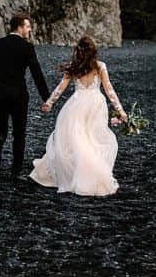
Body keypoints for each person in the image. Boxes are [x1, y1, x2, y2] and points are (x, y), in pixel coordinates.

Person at [30, 35, 128, 196]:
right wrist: (120, 110)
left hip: (76, 104)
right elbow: (109, 90)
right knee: (92, 139)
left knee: (75, 139)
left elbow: (61, 88)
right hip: (96, 104)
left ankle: (76, 172)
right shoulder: (100, 66)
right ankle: (89, 173)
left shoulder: (74, 67)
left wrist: (50, 102)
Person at [0, 13, 50, 176]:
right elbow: (37, 73)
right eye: (28, 26)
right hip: (18, 94)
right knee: (19, 131)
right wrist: (47, 97)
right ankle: (16, 168)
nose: (30, 30)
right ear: (20, 27)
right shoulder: (27, 47)